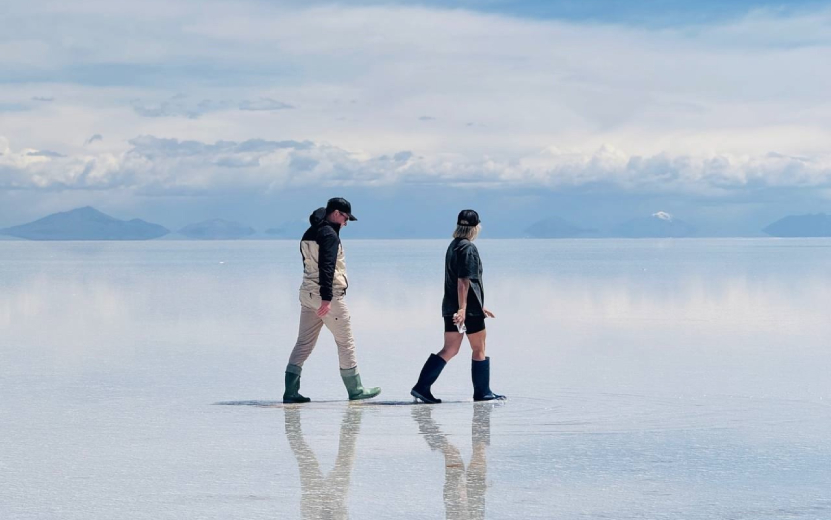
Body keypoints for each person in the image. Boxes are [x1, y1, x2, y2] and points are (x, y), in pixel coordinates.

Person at [282, 197, 381, 403]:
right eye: (345, 219)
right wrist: (327, 299)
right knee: (345, 342)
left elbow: (308, 265)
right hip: (328, 297)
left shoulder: (308, 233)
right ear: (336, 213)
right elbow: (326, 267)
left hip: (307, 294)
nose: (345, 224)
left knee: (303, 343)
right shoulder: (329, 235)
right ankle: (355, 389)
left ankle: (290, 392)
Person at [411, 209, 505, 404]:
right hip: (466, 309)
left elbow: (460, 281)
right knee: (479, 348)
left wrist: (478, 306)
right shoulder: (468, 248)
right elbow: (463, 281)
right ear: (476, 227)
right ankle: (483, 392)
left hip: (452, 306)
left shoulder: (453, 246)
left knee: (450, 349)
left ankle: (421, 387)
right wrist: (464, 309)